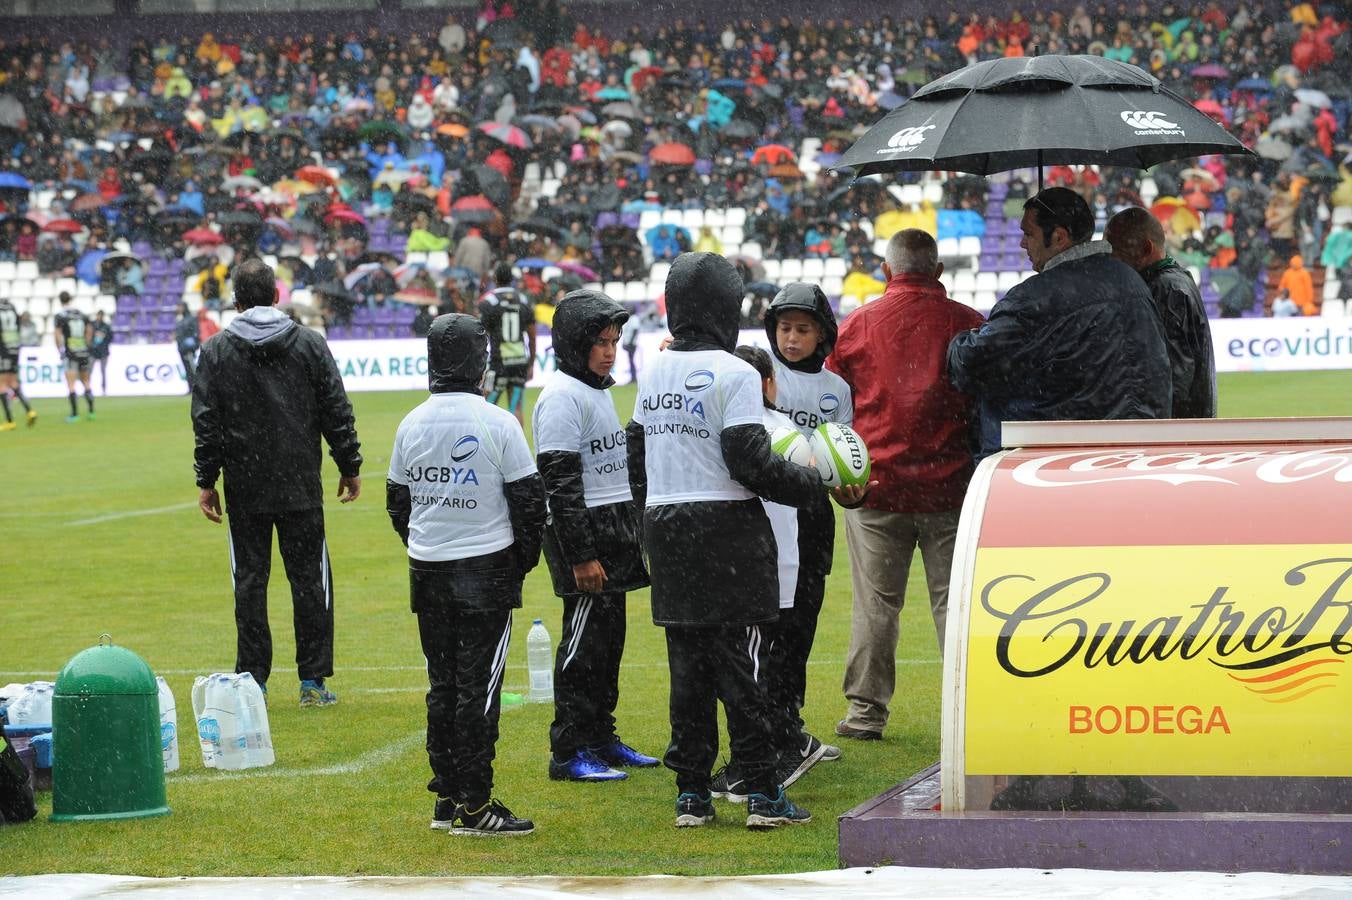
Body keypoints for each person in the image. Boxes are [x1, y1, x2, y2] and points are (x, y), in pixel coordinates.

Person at [626, 251, 823, 829]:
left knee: (687, 666)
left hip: (666, 525)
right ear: (725, 308)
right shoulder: (736, 373)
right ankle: (763, 792)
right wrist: (812, 485)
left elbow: (636, 453)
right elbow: (750, 464)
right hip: (727, 529)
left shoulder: (654, 369)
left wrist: (651, 512)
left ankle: (692, 793)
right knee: (740, 666)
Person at [386, 312, 546, 837]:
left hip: (427, 571)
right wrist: (517, 562)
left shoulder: (411, 422)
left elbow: (398, 503)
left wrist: (427, 541)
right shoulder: (498, 423)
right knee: (479, 687)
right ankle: (476, 804)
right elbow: (529, 503)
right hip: (484, 569)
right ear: (483, 363)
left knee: (444, 684)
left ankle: (448, 794)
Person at [826, 229, 985, 741]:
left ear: (888, 271)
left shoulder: (857, 325)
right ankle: (969, 711)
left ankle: (866, 714)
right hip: (951, 489)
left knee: (876, 604)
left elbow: (834, 404)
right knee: (953, 604)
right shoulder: (967, 323)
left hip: (876, 488)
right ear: (937, 271)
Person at [191, 259, 362, 708]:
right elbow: (335, 408)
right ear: (277, 296)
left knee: (249, 583)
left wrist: (207, 480)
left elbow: (206, 422)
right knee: (310, 582)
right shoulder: (308, 344)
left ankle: (252, 681)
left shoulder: (216, 351)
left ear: (236, 300)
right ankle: (313, 681)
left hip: (246, 487)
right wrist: (348, 462)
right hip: (299, 484)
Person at [532, 289, 657, 783]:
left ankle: (602, 736)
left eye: (615, 340)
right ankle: (568, 750)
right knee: (582, 646)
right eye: (600, 342)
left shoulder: (596, 391)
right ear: (572, 344)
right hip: (584, 537)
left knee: (609, 645)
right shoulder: (562, 398)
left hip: (612, 530)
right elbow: (560, 484)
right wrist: (580, 555)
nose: (609, 351)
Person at [948, 187, 1172, 459]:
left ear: (1059, 237)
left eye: (1028, 234)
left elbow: (970, 362)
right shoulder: (1130, 279)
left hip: (1057, 458)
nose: (1022, 243)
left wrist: (958, 340)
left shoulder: (1036, 297)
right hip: (1133, 450)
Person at [746, 283, 856, 775]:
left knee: (802, 624)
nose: (792, 338)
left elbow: (844, 457)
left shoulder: (837, 391)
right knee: (771, 625)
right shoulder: (761, 377)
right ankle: (767, 728)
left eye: (803, 329)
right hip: (769, 515)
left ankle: (790, 721)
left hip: (813, 518)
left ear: (822, 334)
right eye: (785, 328)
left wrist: (854, 489)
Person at [1104, 207, 1217, 419]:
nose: (1111, 258)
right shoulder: (1171, 281)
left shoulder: (1166, 289)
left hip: (1172, 433)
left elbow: (1174, 376)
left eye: (1116, 248)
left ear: (1146, 248)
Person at [478, 263, 537, 426]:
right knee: (515, 407)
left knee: (487, 405)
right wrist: (531, 363)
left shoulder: (488, 302)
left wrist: (481, 366)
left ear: (495, 279)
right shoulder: (523, 299)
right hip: (519, 362)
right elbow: (532, 335)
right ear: (512, 279)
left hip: (497, 363)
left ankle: (487, 446)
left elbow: (480, 335)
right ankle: (517, 448)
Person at [53, 292, 95, 424]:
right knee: (86, 381)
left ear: (60, 301)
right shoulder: (81, 314)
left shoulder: (60, 316)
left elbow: (57, 335)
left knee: (71, 384)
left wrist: (60, 350)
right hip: (83, 351)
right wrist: (86, 345)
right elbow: (89, 331)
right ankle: (91, 412)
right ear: (70, 299)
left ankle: (75, 414)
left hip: (70, 353)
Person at [0, 296, 35, 430]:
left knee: (1, 385)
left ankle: (10, 421)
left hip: (4, 350)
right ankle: (29, 411)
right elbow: (18, 326)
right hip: (15, 348)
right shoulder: (12, 308)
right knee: (13, 382)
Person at [174, 302, 200, 393]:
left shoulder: (191, 319)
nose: (178, 309)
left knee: (192, 369)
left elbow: (196, 333)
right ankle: (190, 388)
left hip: (188, 349)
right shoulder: (180, 320)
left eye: (179, 306)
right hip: (181, 348)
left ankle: (196, 389)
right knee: (187, 369)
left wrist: (193, 345)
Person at [88, 310, 113, 396]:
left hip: (103, 352)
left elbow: (110, 338)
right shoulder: (92, 325)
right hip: (93, 352)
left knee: (103, 371)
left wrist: (104, 342)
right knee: (89, 371)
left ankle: (104, 389)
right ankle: (88, 389)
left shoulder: (106, 326)